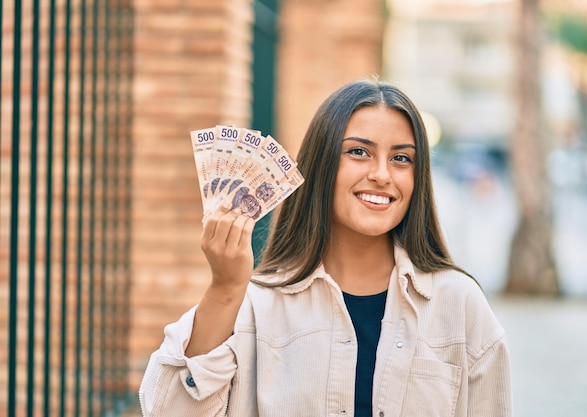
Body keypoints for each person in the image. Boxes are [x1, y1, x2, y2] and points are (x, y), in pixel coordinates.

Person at [139, 79, 512, 417]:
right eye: (359, 153)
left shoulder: (460, 305)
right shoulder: (254, 306)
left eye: (401, 158)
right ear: (321, 165)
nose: (382, 174)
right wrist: (224, 289)